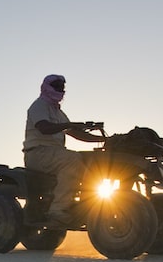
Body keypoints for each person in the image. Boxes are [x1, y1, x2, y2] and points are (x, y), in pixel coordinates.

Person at [22, 74, 105, 225]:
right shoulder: (39, 105)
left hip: (53, 154)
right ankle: (58, 210)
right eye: (57, 86)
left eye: (62, 87)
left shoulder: (59, 113)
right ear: (47, 87)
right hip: (38, 153)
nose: (61, 89)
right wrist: (70, 125)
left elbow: (76, 133)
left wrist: (105, 140)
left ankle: (85, 206)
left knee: (91, 161)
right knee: (73, 159)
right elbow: (44, 128)